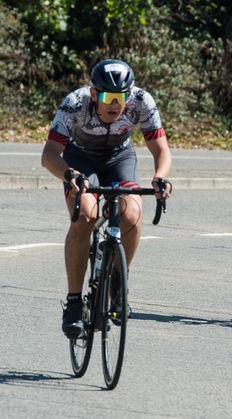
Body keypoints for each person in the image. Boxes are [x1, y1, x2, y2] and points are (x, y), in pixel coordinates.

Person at [41, 59, 173, 337]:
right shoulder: (75, 103)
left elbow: (161, 149)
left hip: (119, 158)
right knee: (85, 215)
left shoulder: (141, 101)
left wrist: (160, 177)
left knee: (132, 216)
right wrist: (69, 175)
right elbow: (50, 154)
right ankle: (75, 302)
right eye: (108, 97)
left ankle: (116, 280)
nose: (115, 104)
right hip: (79, 159)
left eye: (121, 97)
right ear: (93, 94)